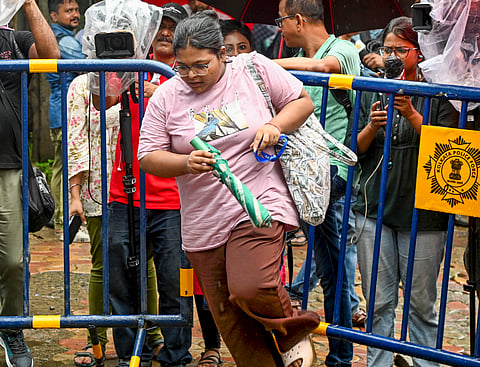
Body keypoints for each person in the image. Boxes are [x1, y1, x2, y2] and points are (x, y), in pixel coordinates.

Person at [138, 10, 320, 367]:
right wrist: (184, 163)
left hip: (257, 200)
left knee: (251, 286)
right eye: (183, 66)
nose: (191, 75)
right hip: (203, 220)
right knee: (230, 320)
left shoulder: (252, 69)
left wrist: (274, 125)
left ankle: (292, 334)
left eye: (201, 65)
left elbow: (303, 102)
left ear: (223, 54)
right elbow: (148, 155)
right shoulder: (167, 96)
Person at [349, 16, 459, 367]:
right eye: (387, 50)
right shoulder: (372, 88)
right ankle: (378, 363)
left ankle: (424, 362)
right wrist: (370, 127)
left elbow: (451, 152)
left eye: (401, 50)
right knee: (378, 302)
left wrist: (412, 113)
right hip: (374, 208)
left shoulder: (442, 90)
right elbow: (355, 149)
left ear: (420, 51)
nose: (392, 57)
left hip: (424, 213)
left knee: (421, 303)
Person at [98, 4, 193, 367]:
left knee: (174, 281)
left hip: (172, 198)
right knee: (120, 278)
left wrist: (163, 93)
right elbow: (99, 101)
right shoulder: (133, 66)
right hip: (125, 191)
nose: (167, 32)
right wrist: (120, 80)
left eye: (174, 27)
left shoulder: (192, 76)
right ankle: (128, 354)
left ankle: (175, 355)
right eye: (161, 26)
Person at [274, 0, 361, 365]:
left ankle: (340, 355)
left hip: (331, 175)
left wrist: (267, 65)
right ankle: (334, 352)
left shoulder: (340, 48)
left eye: (281, 20)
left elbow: (323, 68)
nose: (279, 28)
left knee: (334, 270)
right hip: (306, 173)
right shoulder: (302, 54)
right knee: (328, 267)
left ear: (298, 19)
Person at [67, 73, 164, 366]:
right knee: (102, 264)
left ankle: (153, 334)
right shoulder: (83, 85)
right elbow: (76, 139)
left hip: (138, 183)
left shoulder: (144, 77)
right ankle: (95, 340)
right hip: (98, 185)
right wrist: (74, 193)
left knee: (144, 260)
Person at [0, 1, 60, 366]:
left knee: (11, 260)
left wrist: (28, 3)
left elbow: (51, 55)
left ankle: (10, 327)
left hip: (8, 166)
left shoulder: (13, 38)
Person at [46, 0, 86, 237]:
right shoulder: (63, 41)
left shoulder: (61, 38)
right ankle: (63, 222)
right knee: (66, 166)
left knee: (61, 166)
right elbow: (87, 62)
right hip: (66, 111)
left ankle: (59, 218)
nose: (75, 15)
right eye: (68, 11)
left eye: (76, 10)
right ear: (53, 15)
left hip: (61, 110)